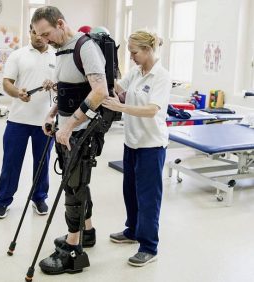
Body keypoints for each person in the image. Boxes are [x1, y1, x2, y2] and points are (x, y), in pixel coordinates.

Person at [31, 6, 109, 275]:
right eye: (40, 36)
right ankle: (86, 232)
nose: (44, 40)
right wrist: (52, 115)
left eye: (46, 33)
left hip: (82, 132)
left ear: (61, 23)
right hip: (67, 129)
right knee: (78, 182)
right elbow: (67, 93)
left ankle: (73, 249)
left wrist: (70, 126)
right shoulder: (62, 51)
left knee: (73, 189)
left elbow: (100, 91)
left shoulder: (85, 47)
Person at [102, 30, 171, 267]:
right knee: (130, 192)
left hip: (151, 145)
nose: (131, 56)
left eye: (134, 52)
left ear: (148, 50)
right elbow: (118, 90)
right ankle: (132, 231)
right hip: (131, 142)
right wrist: (106, 82)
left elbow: (152, 110)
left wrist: (121, 107)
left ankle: (149, 247)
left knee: (148, 198)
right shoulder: (136, 71)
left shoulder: (161, 76)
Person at [0, 25, 56, 219]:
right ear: (29, 32)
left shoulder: (57, 55)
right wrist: (18, 93)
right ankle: (3, 200)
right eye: (34, 32)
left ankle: (39, 198)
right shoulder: (18, 55)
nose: (38, 37)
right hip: (18, 120)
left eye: (42, 33)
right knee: (11, 162)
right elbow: (7, 83)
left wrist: (54, 84)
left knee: (42, 163)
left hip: (46, 120)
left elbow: (64, 84)